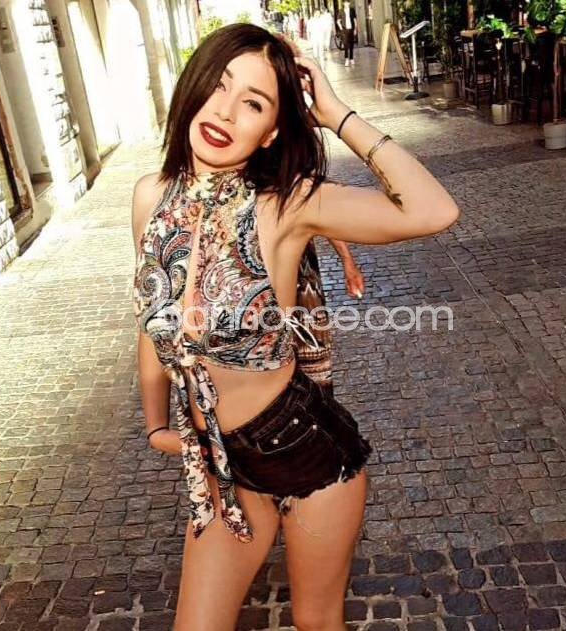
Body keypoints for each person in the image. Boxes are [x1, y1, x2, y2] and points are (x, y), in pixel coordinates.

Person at [132, 23, 459, 631]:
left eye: (253, 102)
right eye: (219, 86)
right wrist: (156, 424)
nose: (225, 111)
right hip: (225, 467)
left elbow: (432, 209)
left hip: (307, 455)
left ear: (272, 131)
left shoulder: (286, 205)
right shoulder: (150, 198)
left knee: (316, 623)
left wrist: (335, 115)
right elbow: (154, 321)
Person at [337, 0, 357, 66]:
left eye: (347, 3)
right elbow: (338, 21)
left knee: (351, 44)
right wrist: (341, 28)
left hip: (351, 29)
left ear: (349, 3)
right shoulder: (341, 11)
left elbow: (355, 20)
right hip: (344, 30)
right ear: (343, 3)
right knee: (346, 45)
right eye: (345, 3)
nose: (346, 4)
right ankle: (346, 59)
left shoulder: (352, 10)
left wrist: (355, 29)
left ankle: (351, 58)